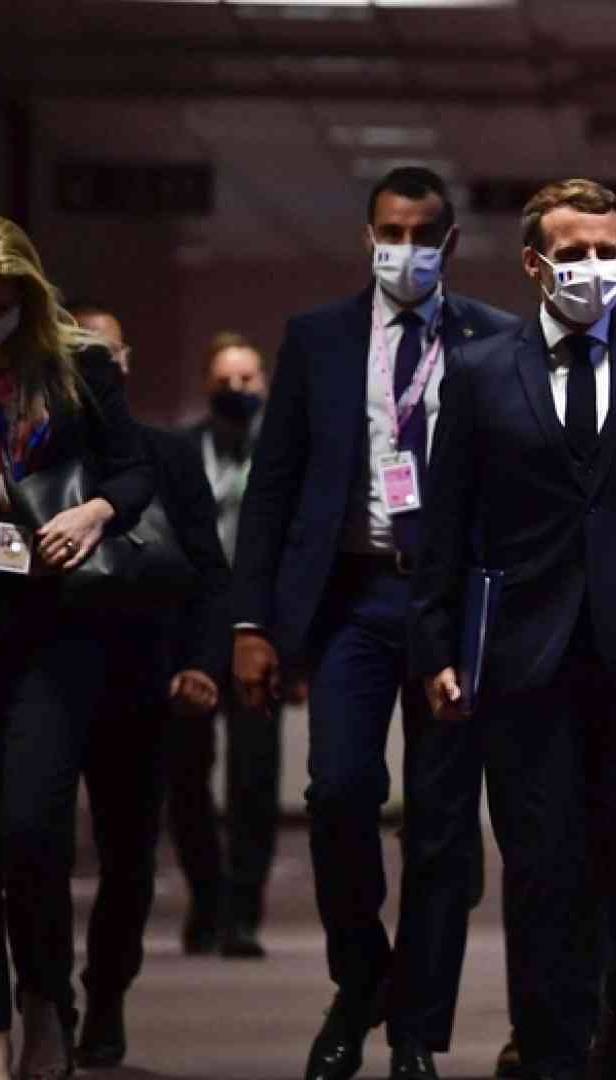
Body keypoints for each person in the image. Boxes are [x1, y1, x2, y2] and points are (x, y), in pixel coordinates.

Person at [411, 178, 616, 1080]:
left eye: (607, 251)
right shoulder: (482, 369)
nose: (594, 266)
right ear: (534, 263)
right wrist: (437, 646)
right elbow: (447, 522)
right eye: (574, 252)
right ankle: (552, 1052)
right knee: (542, 869)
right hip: (526, 656)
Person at [229, 165, 518, 1080]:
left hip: (451, 606)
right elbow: (272, 490)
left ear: (450, 242)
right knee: (339, 792)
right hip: (352, 598)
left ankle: (414, 1033)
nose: (407, 250)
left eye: (424, 235)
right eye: (391, 233)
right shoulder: (318, 339)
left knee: (441, 825)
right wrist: (251, 621)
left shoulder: (492, 339)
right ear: (368, 237)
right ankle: (361, 983)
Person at [0, 216, 155, 1080]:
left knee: (33, 826)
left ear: (28, 299)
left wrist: (96, 512)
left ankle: (47, 999)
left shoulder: (79, 366)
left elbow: (134, 470)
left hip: (55, 625)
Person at [63, 303, 231, 1069]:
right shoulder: (35, 450)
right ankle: (43, 995)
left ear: (125, 364)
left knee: (128, 854)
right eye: (76, 352)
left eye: (104, 354)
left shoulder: (167, 456)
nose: (91, 368)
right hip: (49, 672)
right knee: (32, 840)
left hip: (142, 676)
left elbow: (207, 570)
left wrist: (201, 662)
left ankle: (105, 992)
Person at [165, 331, 283, 959]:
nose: (237, 390)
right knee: (186, 775)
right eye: (225, 381)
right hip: (192, 628)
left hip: (259, 629)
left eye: (247, 379)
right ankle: (206, 896)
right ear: (207, 388)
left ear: (264, 384)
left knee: (253, 777)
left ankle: (243, 913)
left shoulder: (283, 449)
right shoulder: (184, 450)